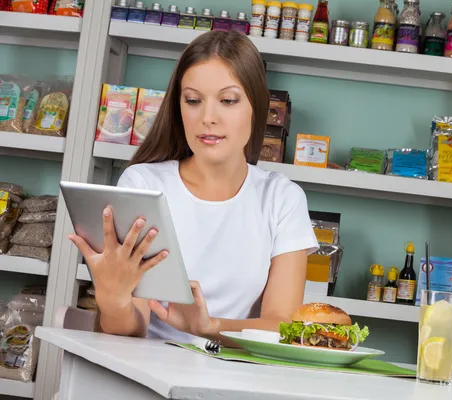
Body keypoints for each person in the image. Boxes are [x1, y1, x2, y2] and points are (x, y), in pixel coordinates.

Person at [69, 31, 319, 344]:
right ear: (179, 107)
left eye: (228, 100)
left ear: (256, 106)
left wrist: (209, 326)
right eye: (193, 101)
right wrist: (112, 297)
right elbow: (131, 330)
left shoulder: (281, 198)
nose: (208, 118)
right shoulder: (144, 184)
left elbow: (282, 325)